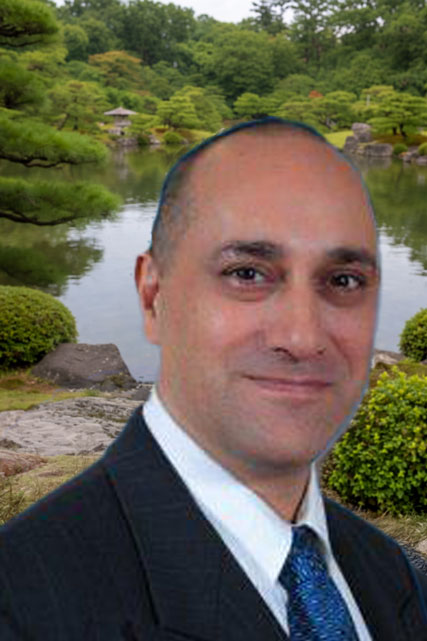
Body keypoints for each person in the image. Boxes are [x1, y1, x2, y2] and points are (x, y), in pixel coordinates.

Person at [0, 118, 426, 641]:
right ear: (153, 296)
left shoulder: (390, 574)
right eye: (246, 273)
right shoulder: (24, 601)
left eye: (344, 280)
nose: (302, 336)